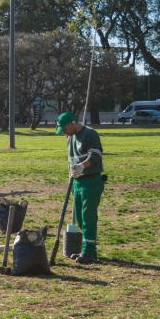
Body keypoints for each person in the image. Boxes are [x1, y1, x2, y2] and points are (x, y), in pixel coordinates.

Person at [56, 111, 105, 265]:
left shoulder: (90, 134)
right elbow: (71, 160)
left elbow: (96, 156)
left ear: (72, 123)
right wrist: (71, 172)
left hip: (90, 181)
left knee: (88, 216)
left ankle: (88, 252)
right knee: (80, 216)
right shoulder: (70, 138)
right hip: (76, 182)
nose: (64, 133)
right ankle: (89, 249)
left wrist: (82, 166)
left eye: (64, 129)